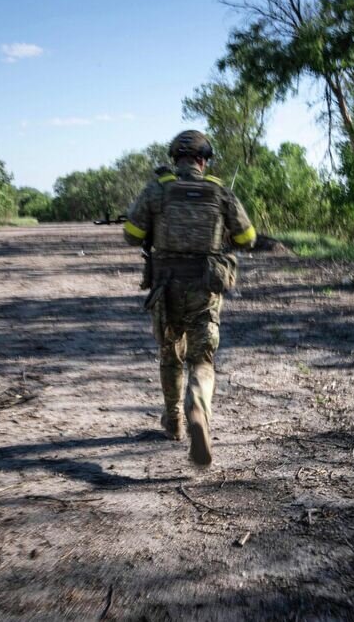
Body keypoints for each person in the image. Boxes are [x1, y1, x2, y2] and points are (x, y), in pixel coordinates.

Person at [122, 130, 256, 466]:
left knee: (170, 354)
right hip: (205, 288)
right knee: (202, 360)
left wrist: (154, 227)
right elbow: (248, 237)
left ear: (175, 158)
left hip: (166, 286)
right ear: (203, 159)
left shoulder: (157, 189)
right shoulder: (219, 191)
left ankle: (175, 421)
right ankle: (198, 406)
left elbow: (131, 234)